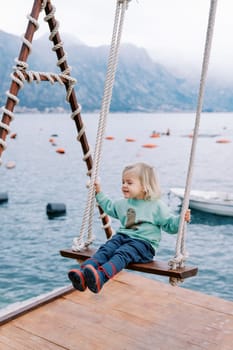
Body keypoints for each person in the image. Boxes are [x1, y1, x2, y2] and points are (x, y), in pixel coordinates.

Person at [68, 162, 191, 294]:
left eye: (129, 183)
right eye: (123, 182)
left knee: (122, 253)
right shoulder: (123, 204)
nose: (124, 185)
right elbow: (109, 206)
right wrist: (98, 192)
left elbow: (170, 225)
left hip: (144, 245)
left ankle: (101, 278)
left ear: (144, 186)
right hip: (122, 237)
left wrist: (181, 220)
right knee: (106, 249)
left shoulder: (156, 206)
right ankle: (84, 272)